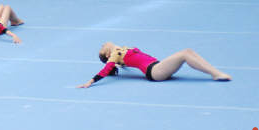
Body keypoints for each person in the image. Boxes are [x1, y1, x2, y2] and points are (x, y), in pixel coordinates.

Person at [77, 42, 231, 88]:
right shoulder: (114, 54)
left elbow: (127, 61)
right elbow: (106, 70)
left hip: (158, 66)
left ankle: (215, 72)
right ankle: (216, 74)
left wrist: (120, 65)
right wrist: (90, 82)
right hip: (154, 71)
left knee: (188, 51)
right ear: (106, 54)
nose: (103, 44)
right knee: (185, 53)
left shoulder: (120, 50)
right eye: (102, 48)